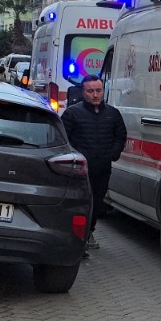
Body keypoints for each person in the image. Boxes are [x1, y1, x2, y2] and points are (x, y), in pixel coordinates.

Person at [60, 76, 126, 253]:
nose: (95, 94)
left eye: (99, 90)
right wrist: (76, 158)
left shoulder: (113, 114)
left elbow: (120, 136)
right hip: (79, 171)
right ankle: (76, 238)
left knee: (97, 203)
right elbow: (64, 140)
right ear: (83, 92)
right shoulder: (72, 114)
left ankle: (89, 232)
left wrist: (113, 154)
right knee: (79, 204)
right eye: (90, 91)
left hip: (102, 169)